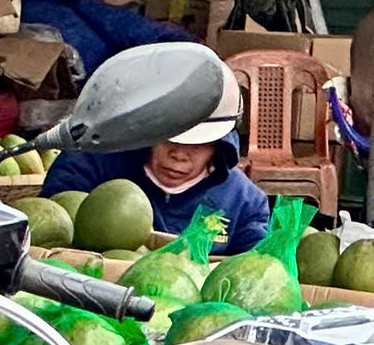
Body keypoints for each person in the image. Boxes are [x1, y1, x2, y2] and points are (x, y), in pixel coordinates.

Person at [57, 62, 270, 254]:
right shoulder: (97, 162)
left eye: (196, 143)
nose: (178, 155)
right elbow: (56, 219)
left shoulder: (243, 202)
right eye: (169, 137)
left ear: (218, 145)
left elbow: (255, 269)